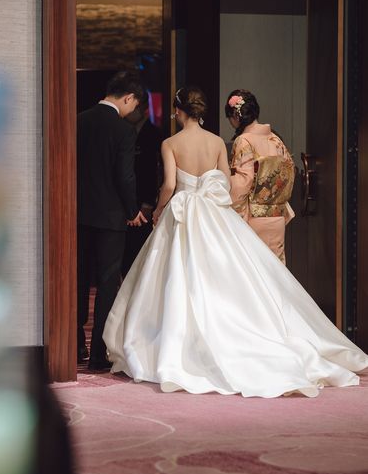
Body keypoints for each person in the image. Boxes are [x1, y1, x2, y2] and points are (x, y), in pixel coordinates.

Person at [103, 87, 368, 398]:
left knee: (179, 277)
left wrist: (160, 209)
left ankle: (181, 343)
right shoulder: (218, 141)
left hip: (184, 213)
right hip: (215, 214)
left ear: (178, 111)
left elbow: (170, 184)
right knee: (226, 277)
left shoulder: (170, 143)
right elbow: (226, 183)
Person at [77, 71, 147, 370]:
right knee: (107, 283)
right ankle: (97, 354)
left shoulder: (78, 121)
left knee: (78, 278)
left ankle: (75, 345)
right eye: (135, 105)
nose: (133, 111)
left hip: (78, 213)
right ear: (128, 98)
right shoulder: (123, 130)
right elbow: (124, 176)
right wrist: (132, 211)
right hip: (111, 216)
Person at [225, 90, 296, 264]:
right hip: (277, 217)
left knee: (254, 270)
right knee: (276, 270)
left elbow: (243, 182)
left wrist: (234, 214)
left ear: (236, 116)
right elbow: (289, 174)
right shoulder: (275, 139)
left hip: (253, 217)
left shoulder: (244, 140)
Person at [121, 92, 163, 276]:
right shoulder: (124, 130)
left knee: (140, 246)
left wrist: (148, 202)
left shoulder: (154, 134)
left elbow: (154, 171)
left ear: (143, 108)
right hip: (126, 197)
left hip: (145, 197)